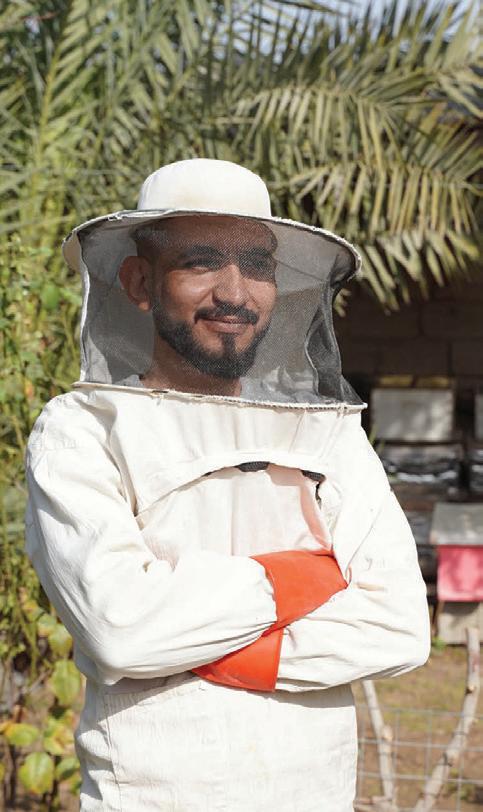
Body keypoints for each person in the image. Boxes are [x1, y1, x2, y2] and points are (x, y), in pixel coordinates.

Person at [25, 158, 430, 811]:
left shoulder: (324, 434)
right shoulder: (82, 430)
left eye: (257, 265)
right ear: (139, 282)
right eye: (200, 262)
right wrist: (296, 580)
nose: (235, 293)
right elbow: (122, 627)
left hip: (315, 794)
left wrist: (207, 642)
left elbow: (399, 627)